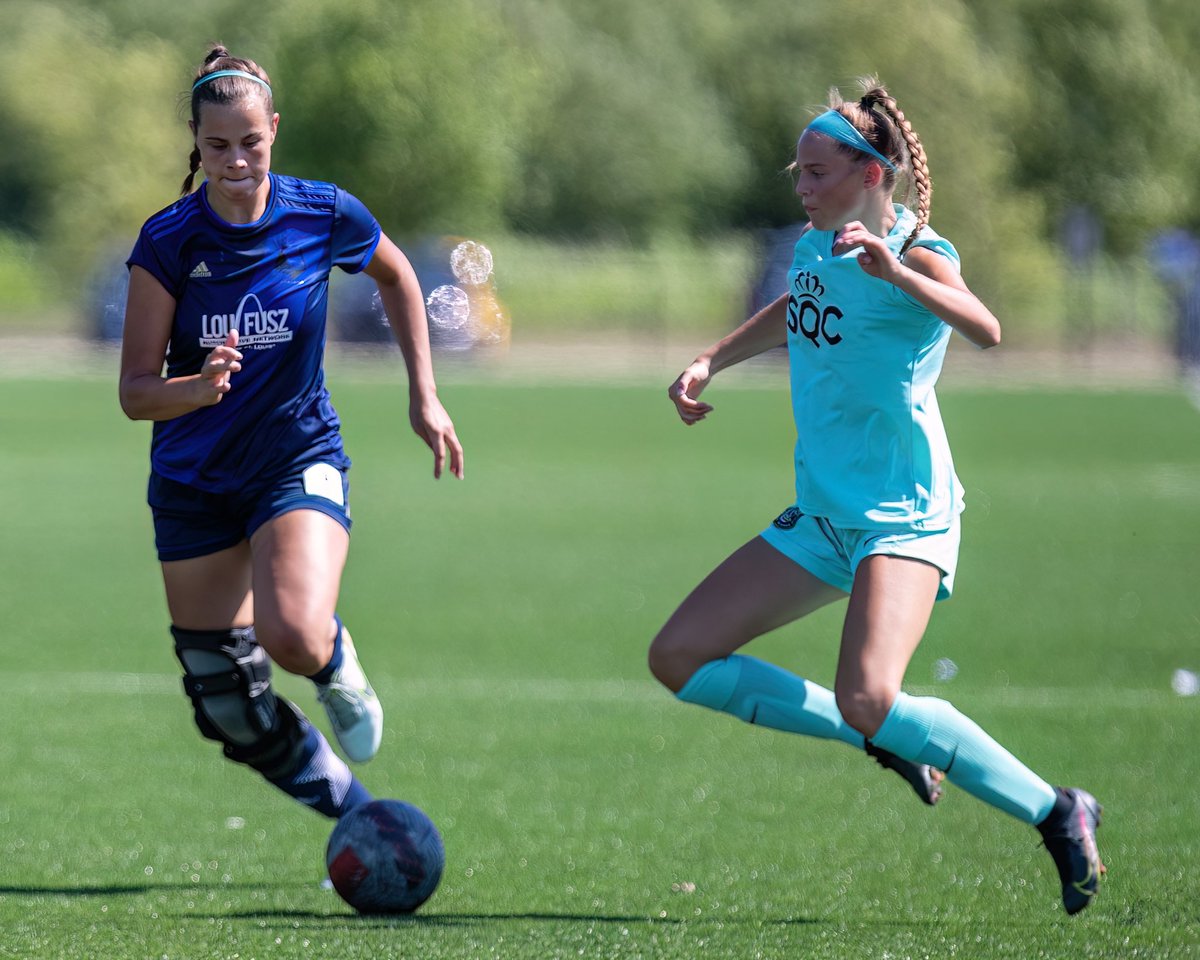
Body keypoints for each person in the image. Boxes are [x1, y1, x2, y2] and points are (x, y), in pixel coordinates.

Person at [648, 80, 1105, 914]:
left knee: (871, 692)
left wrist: (897, 270)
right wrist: (710, 359)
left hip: (904, 514)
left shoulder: (920, 249)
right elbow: (801, 308)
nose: (802, 187)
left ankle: (1056, 810)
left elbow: (986, 328)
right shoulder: (819, 243)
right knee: (677, 658)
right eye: (799, 172)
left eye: (818, 173)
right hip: (825, 513)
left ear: (871, 174)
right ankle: (883, 739)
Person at [119, 47, 464, 822]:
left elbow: (399, 274)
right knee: (226, 705)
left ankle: (337, 664)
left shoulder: (322, 213)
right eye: (217, 147)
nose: (236, 161)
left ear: (273, 130)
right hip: (193, 483)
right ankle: (354, 812)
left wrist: (425, 396)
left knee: (296, 633)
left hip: (293, 459)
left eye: (251, 142)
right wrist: (198, 388)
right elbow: (136, 395)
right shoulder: (169, 243)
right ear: (195, 143)